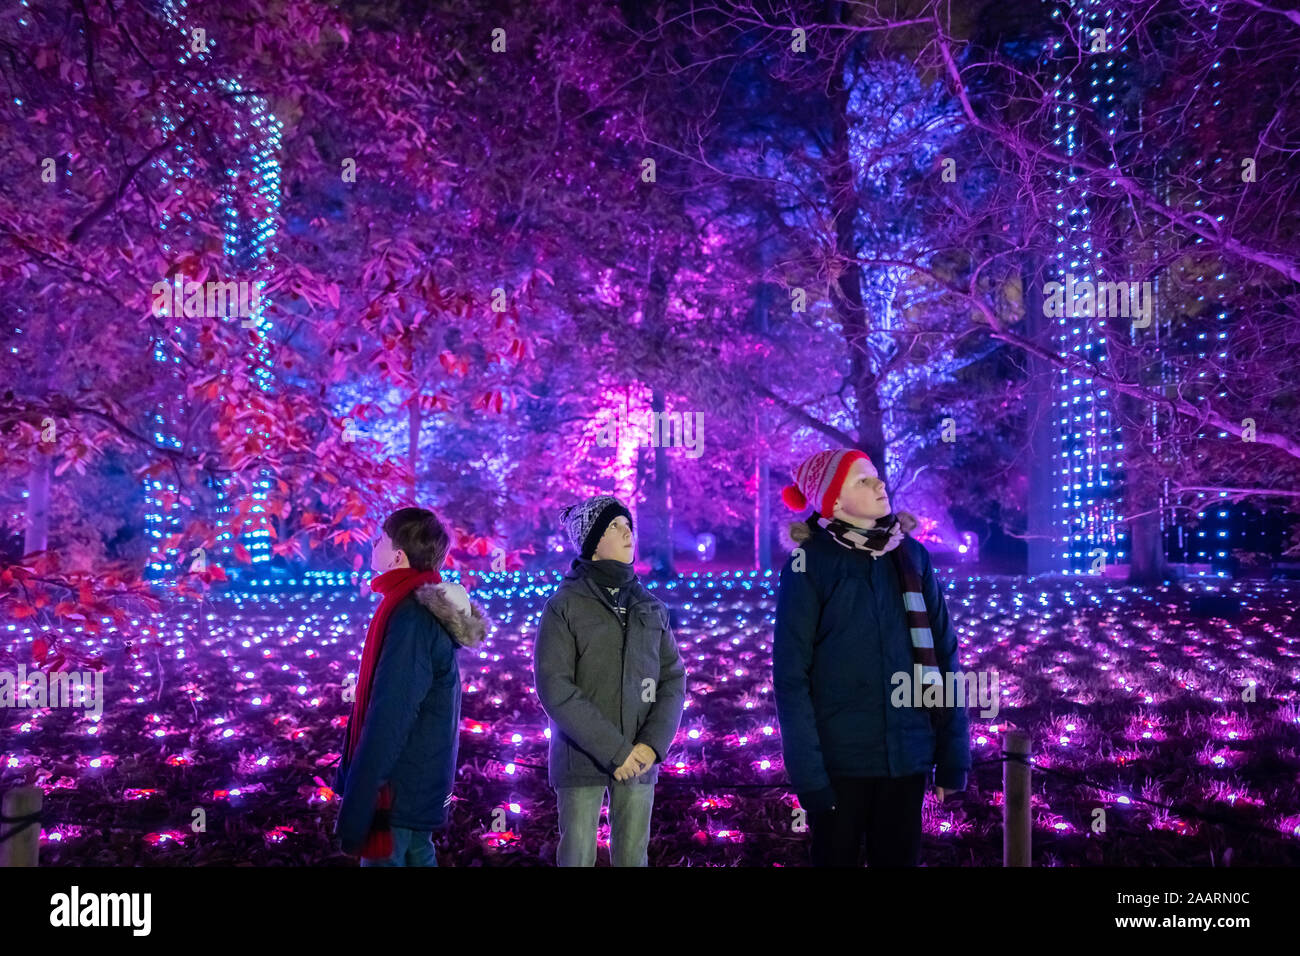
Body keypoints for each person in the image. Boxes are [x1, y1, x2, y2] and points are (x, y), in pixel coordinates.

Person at [772, 449, 971, 867]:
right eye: (863, 480)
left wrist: (953, 756)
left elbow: (945, 654)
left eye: (877, 477)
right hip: (838, 765)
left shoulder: (912, 556)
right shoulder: (810, 563)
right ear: (834, 501)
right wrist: (809, 776)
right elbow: (791, 677)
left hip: (907, 759)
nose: (879, 485)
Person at [533, 494, 686, 866]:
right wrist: (615, 751)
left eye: (628, 525)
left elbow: (673, 679)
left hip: (640, 759)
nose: (627, 533)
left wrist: (652, 745)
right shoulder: (564, 606)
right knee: (577, 856)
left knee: (633, 857)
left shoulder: (651, 606)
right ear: (593, 543)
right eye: (614, 526)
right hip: (580, 758)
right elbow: (555, 687)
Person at [333, 506, 488, 866]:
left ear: (398, 556)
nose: (373, 544)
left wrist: (363, 790)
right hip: (417, 778)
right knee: (418, 855)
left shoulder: (410, 617)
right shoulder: (416, 608)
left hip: (397, 787)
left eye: (380, 539)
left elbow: (393, 710)